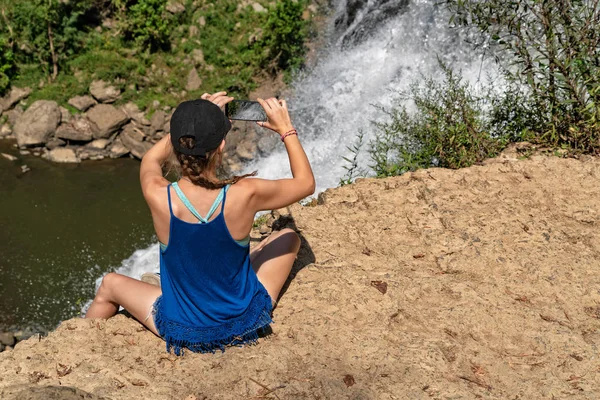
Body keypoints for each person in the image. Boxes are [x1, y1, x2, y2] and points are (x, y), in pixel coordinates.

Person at [85, 92, 315, 354]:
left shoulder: (158, 195)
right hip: (243, 322)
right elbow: (306, 184)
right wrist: (286, 129)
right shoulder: (245, 193)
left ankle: (78, 345)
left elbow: (150, 159)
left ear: (175, 143)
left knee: (110, 284)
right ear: (221, 146)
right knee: (288, 236)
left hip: (183, 330)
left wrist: (189, 125)